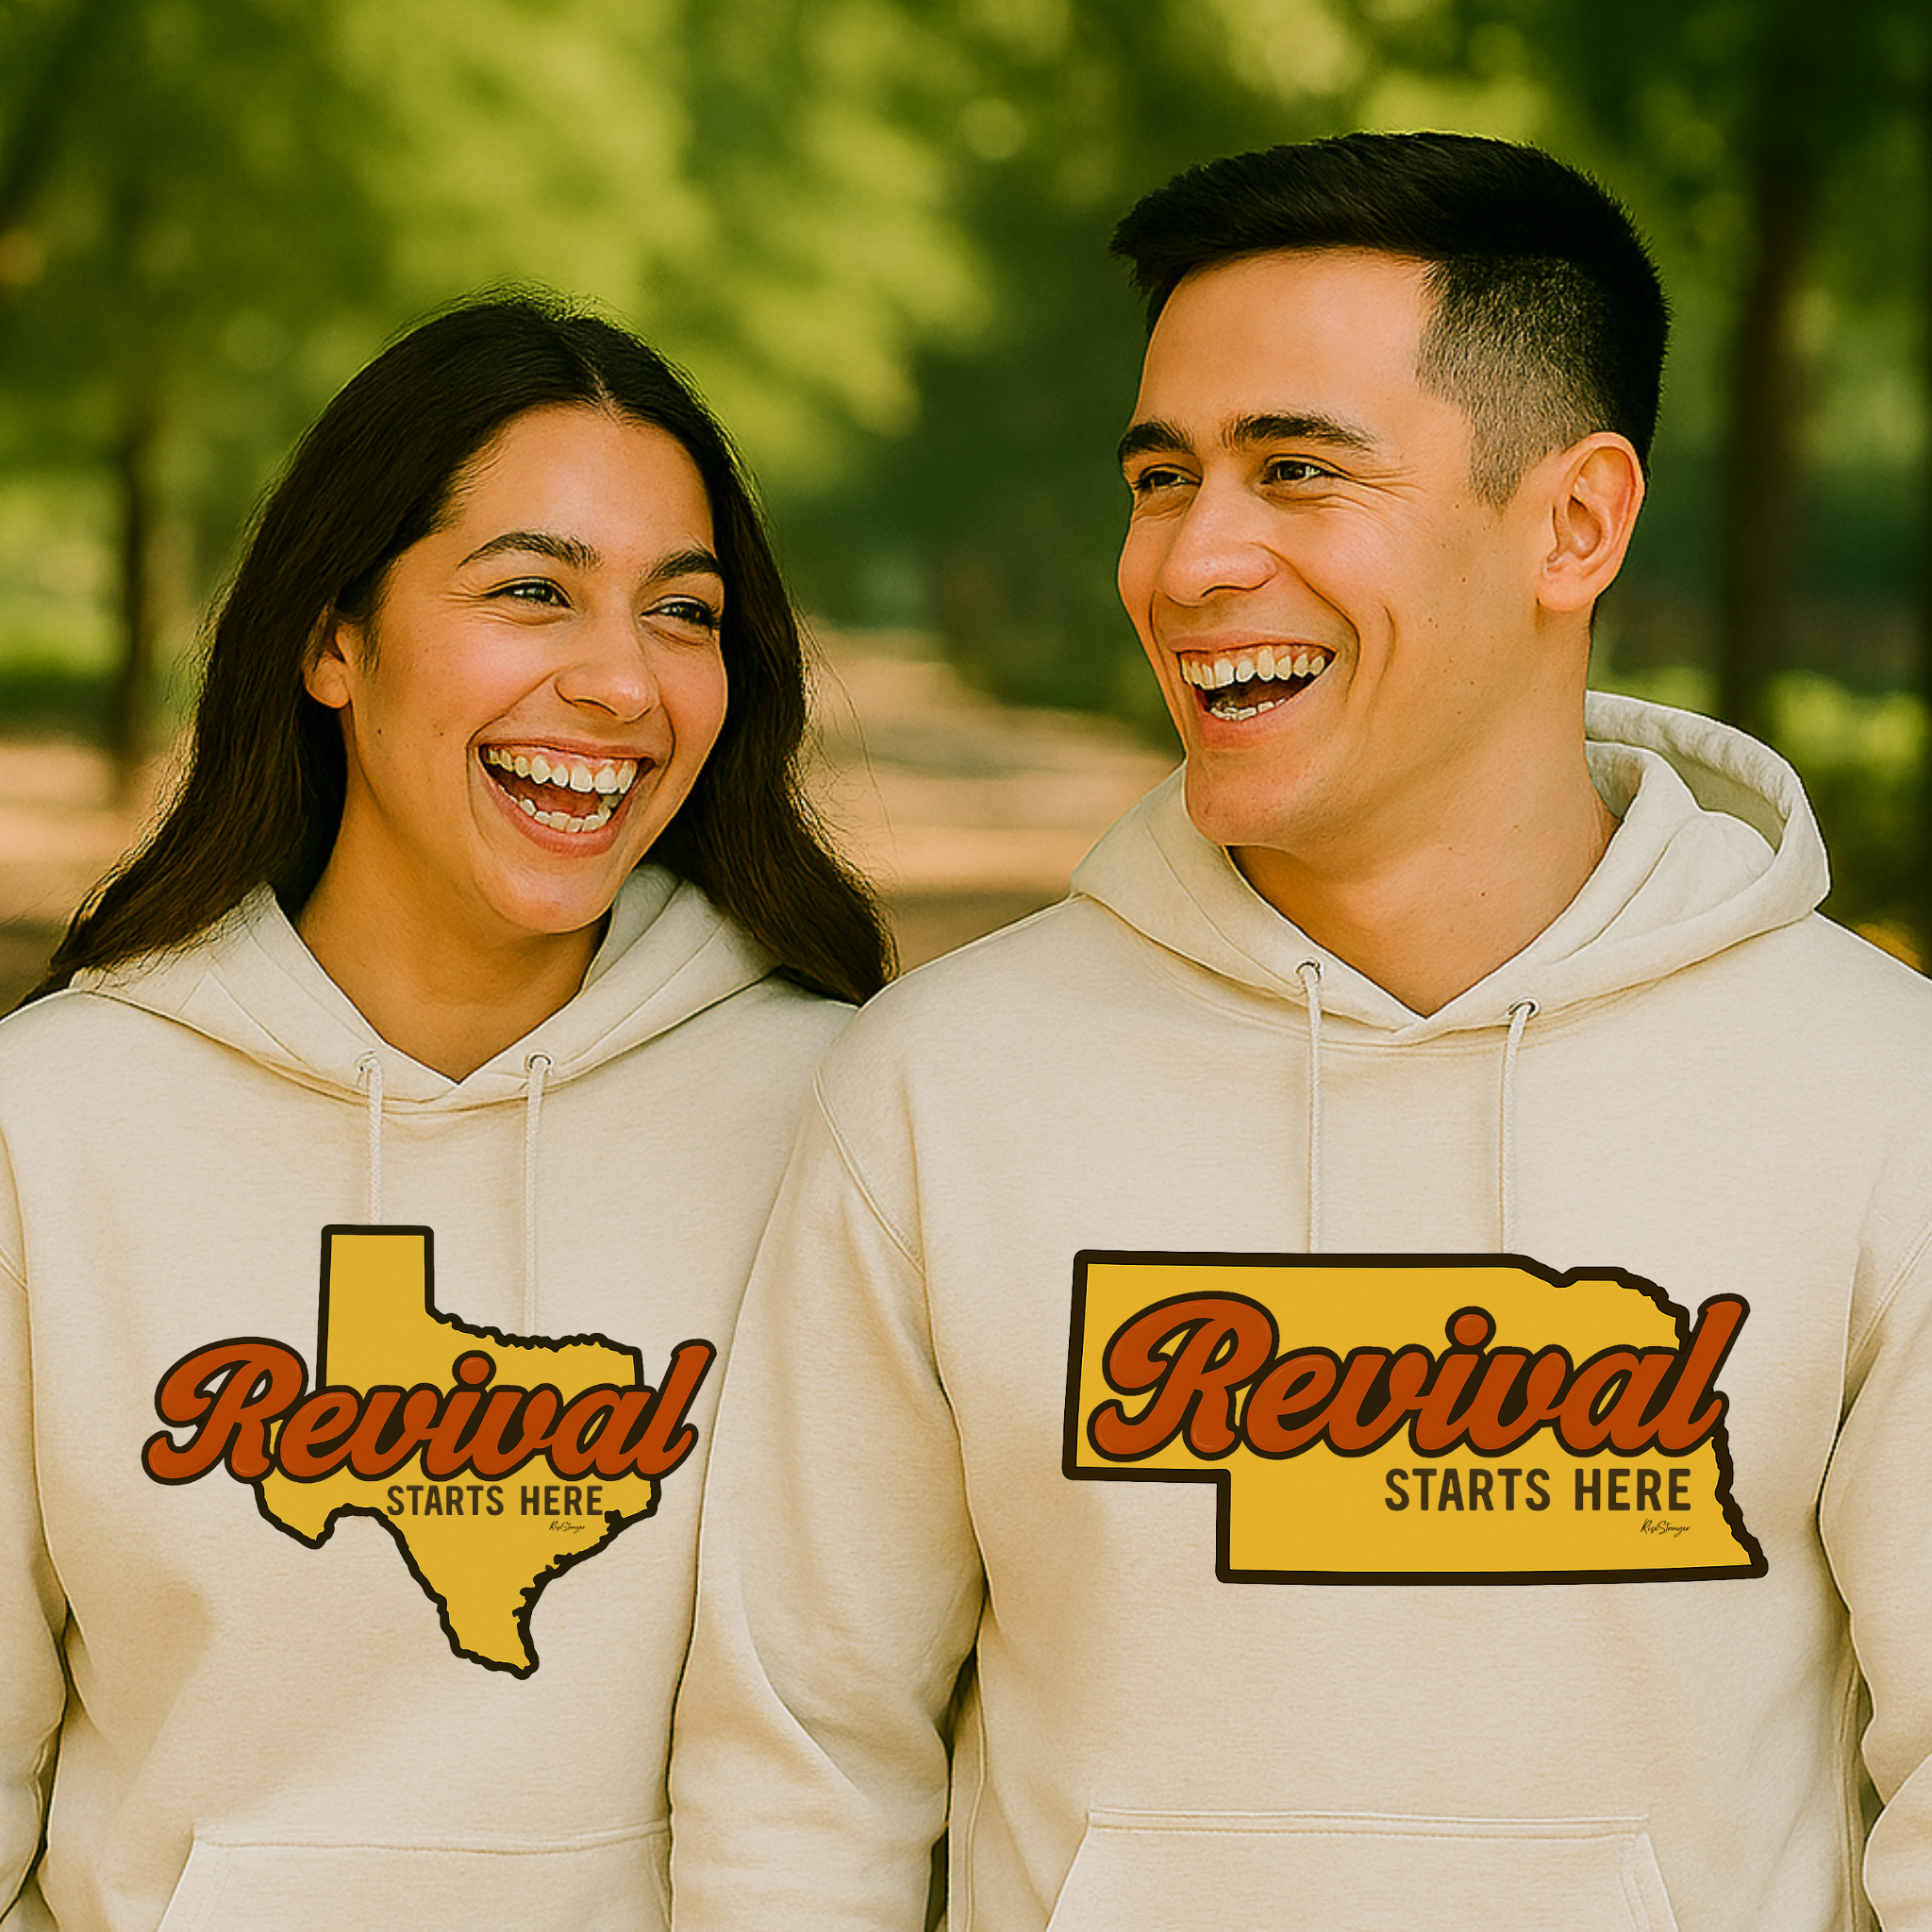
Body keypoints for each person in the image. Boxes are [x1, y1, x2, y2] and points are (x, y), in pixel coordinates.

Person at [668, 132, 1932, 1930]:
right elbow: (803, 1773)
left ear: (1576, 521)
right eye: (1163, 476)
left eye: (1297, 472)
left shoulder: (1879, 1097)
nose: (1191, 564)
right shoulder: (946, 1092)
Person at [0, 294, 889, 1930]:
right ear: (335, 638)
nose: (621, 679)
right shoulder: (49, 1125)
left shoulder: (842, 1112)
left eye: (682, 614)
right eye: (533, 592)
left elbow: (879, 1751)